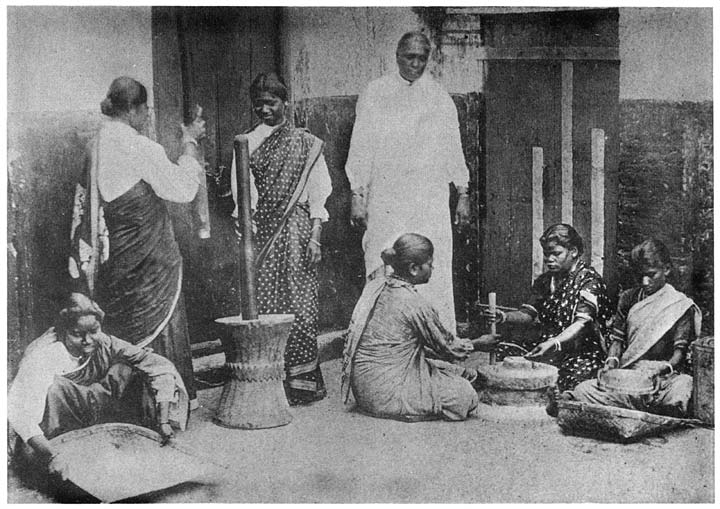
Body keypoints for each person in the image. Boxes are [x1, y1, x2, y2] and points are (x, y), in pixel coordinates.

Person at [68, 76, 206, 404]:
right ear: (134, 109)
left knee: (123, 329)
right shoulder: (138, 146)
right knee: (156, 321)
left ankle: (127, 403)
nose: (146, 117)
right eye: (145, 110)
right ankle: (163, 403)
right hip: (148, 264)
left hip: (116, 259)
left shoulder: (97, 144)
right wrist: (190, 143)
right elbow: (183, 190)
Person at [345, 31, 470, 333]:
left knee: (430, 265)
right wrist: (357, 194)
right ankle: (384, 337)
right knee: (383, 257)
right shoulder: (376, 93)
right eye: (409, 57)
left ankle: (436, 339)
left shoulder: (439, 98)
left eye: (421, 58)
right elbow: (361, 145)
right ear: (397, 56)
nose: (415, 64)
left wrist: (463, 193)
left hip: (429, 196)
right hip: (387, 196)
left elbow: (453, 148)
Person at [230, 72, 332, 405]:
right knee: (268, 307)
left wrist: (316, 236)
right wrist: (250, 226)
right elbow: (243, 194)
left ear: (284, 102)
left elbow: (319, 191)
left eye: (271, 102)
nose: (264, 109)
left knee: (302, 309)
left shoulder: (305, 142)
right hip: (264, 236)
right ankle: (271, 382)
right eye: (258, 103)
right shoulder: (247, 142)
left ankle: (302, 384)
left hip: (299, 233)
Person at [8, 293, 189, 481]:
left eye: (94, 330)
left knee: (128, 369)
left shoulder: (105, 342)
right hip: (56, 432)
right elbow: (21, 414)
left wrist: (164, 421)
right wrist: (52, 455)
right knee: (54, 389)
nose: (88, 340)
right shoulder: (46, 356)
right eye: (77, 334)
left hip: (94, 415)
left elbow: (157, 365)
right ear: (62, 332)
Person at [341, 233, 498, 422]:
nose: (432, 268)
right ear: (414, 269)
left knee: (459, 372)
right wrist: (479, 344)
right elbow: (448, 348)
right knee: (465, 396)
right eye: (429, 264)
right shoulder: (413, 303)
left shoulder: (377, 284)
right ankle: (409, 407)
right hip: (387, 391)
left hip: (363, 386)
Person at [571, 239, 701, 417]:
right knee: (584, 389)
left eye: (651, 274)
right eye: (640, 276)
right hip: (629, 374)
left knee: (684, 385)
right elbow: (617, 341)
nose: (645, 281)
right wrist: (611, 362)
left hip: (662, 377)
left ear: (667, 269)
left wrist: (663, 369)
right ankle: (646, 411)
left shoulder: (679, 304)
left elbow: (679, 353)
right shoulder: (628, 298)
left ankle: (629, 408)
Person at [484, 224, 613, 395]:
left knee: (570, 379)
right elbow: (528, 314)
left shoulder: (589, 282)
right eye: (546, 254)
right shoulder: (546, 281)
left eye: (556, 253)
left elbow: (581, 323)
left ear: (573, 251)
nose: (549, 259)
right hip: (548, 345)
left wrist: (555, 342)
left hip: (581, 350)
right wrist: (504, 317)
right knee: (506, 355)